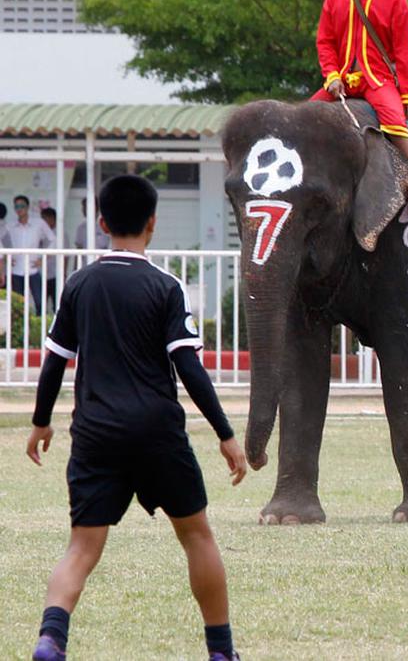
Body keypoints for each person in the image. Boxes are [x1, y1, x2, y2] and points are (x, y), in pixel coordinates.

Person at [25, 175, 247, 661]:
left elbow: (54, 361)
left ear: (102, 223)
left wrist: (41, 422)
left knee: (81, 548)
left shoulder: (79, 285)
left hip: (96, 433)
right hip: (156, 432)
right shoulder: (165, 286)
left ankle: (50, 639)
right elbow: (188, 365)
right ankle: (222, 652)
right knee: (196, 535)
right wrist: (225, 434)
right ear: (152, 224)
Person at [312, 0, 408, 214]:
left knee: (396, 125)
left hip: (377, 80)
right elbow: (325, 42)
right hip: (341, 79)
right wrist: (331, 75)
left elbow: (406, 51)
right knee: (305, 116)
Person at [9, 194, 57, 315]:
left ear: (28, 207)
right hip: (16, 270)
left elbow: (53, 239)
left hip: (33, 269)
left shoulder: (38, 223)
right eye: (17, 206)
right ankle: (20, 332)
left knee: (39, 301)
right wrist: (6, 256)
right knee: (18, 304)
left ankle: (39, 329)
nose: (19, 209)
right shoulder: (10, 225)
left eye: (22, 206)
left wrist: (43, 258)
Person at [40, 207, 59, 311]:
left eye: (44, 218)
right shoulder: (42, 233)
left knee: (56, 304)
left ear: (52, 218)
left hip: (55, 273)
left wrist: (63, 272)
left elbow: (65, 256)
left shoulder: (60, 233)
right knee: (41, 303)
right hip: (43, 273)